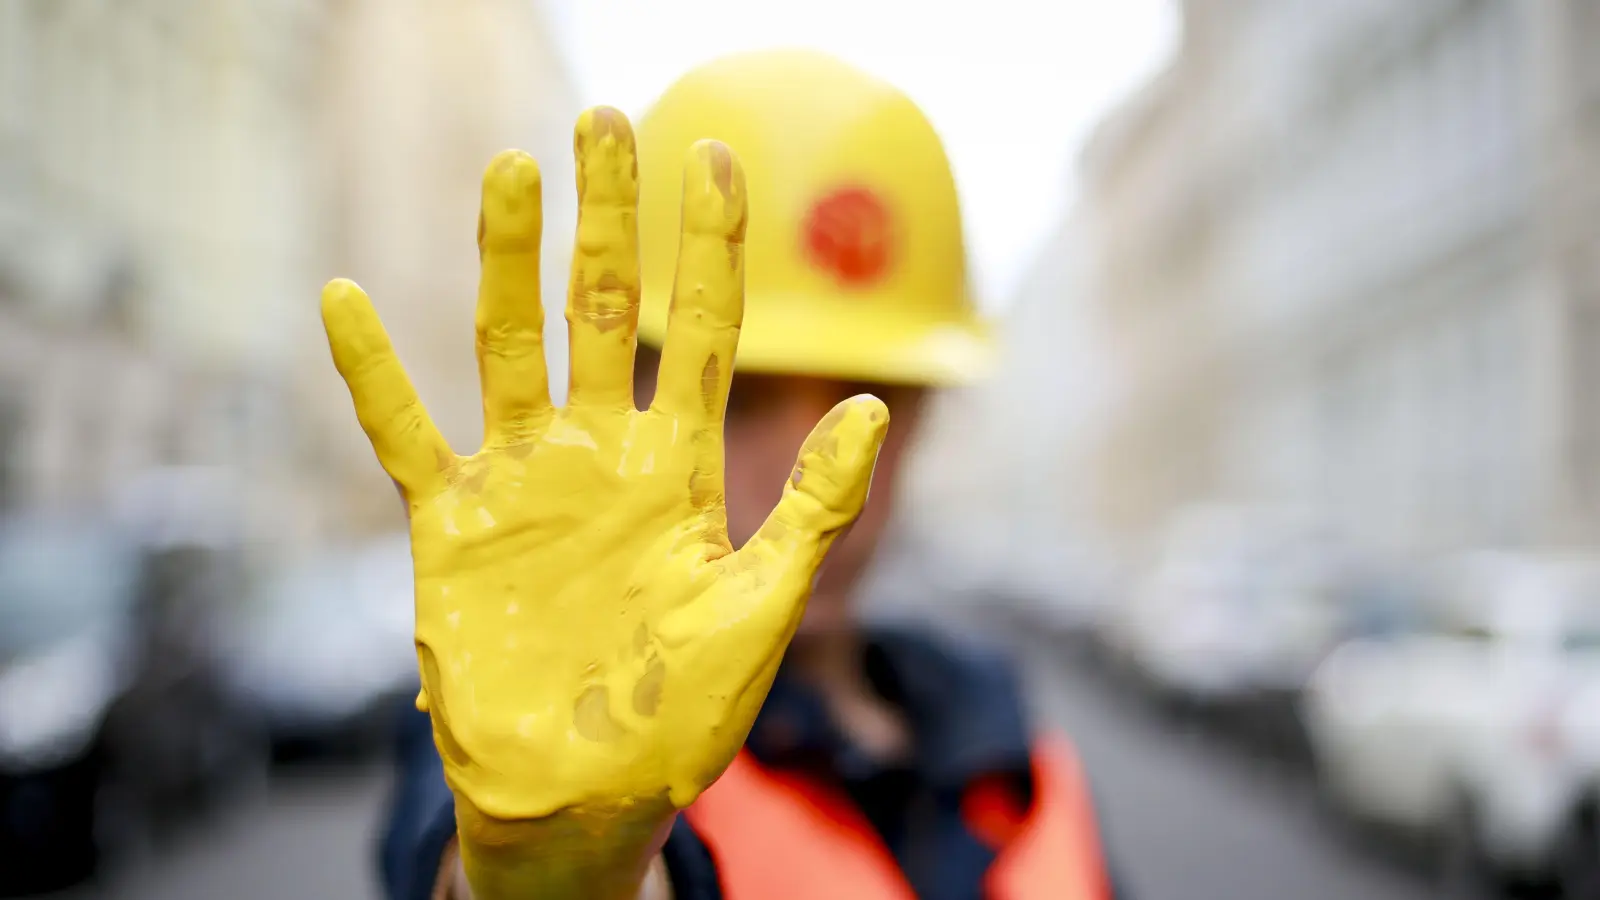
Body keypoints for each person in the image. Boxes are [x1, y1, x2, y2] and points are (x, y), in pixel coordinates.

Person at [331, 50, 1128, 900]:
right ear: (623, 390)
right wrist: (556, 873)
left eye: (868, 402)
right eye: (737, 398)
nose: (806, 469)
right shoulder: (527, 736)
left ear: (928, 414)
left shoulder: (1030, 766)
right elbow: (460, 850)